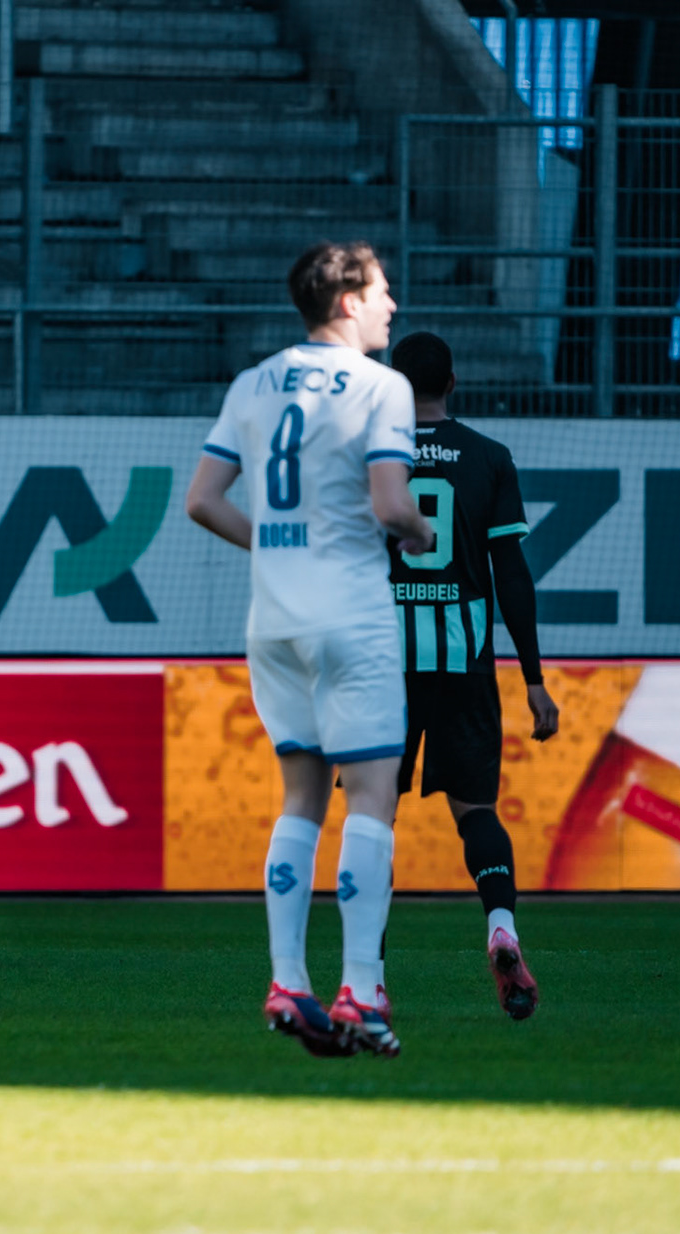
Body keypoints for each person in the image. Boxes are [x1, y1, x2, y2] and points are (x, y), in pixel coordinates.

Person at [185, 242, 434, 1058]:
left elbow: (201, 501)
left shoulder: (252, 383)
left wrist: (275, 548)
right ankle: (361, 988)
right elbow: (392, 505)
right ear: (350, 299)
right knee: (370, 797)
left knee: (300, 799)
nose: (392, 307)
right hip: (352, 612)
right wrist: (420, 530)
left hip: (275, 620)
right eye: (384, 292)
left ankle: (288, 978)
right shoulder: (382, 386)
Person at [386, 332, 558, 1020]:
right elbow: (511, 576)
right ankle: (502, 930)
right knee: (476, 813)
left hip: (386, 665)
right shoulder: (489, 457)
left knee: (375, 815)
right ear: (453, 382)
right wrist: (535, 680)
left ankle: (366, 970)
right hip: (465, 662)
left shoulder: (372, 459)